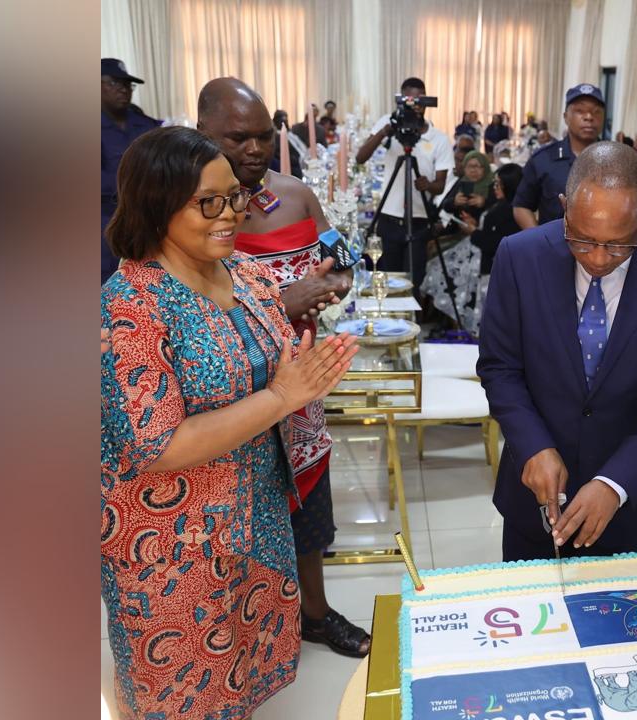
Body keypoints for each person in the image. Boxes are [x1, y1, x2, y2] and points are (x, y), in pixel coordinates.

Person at [102, 125, 358, 719]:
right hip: (172, 549)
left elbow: (277, 354)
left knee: (237, 682)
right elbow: (155, 444)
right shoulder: (128, 306)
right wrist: (283, 396)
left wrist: (310, 365)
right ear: (156, 203)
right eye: (207, 203)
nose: (230, 216)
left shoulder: (244, 274)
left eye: (235, 197)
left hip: (252, 522)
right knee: (186, 695)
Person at [197, 78, 371, 658]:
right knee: (233, 516)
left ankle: (314, 615)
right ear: (202, 135)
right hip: (221, 398)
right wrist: (280, 301)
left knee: (308, 504)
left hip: (300, 391)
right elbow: (181, 305)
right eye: (236, 137)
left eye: (264, 136)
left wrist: (333, 283)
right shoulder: (183, 210)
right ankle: (233, 633)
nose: (253, 149)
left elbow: (346, 264)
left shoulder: (295, 195)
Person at [478, 142, 637, 560]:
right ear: (565, 206)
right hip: (532, 501)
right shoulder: (519, 257)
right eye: (581, 239)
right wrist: (532, 445)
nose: (599, 258)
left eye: (619, 244)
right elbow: (499, 367)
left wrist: (615, 482)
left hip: (625, 508)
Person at [354, 78, 455, 285]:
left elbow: (440, 186)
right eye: (409, 100)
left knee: (412, 282)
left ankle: (413, 317)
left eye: (419, 101)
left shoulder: (439, 139)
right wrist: (385, 131)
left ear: (426, 102)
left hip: (418, 221)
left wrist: (428, 185)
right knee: (388, 281)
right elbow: (360, 158)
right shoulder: (388, 122)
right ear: (400, 101)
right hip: (389, 219)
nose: (414, 106)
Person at [512, 84, 606, 229]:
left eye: (596, 111)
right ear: (566, 117)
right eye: (580, 111)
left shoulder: (617, 161)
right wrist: (540, 241)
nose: (589, 117)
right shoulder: (543, 159)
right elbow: (521, 206)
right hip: (555, 247)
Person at [101, 58, 162, 283]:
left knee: (147, 279)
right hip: (104, 218)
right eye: (115, 84)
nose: (124, 90)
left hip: (147, 217)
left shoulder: (143, 123)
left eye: (128, 85)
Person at [444, 151, 495, 222]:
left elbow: (501, 208)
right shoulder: (463, 181)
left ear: (485, 168)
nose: (473, 170)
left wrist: (485, 203)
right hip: (460, 227)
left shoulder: (493, 184)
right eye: (469, 166)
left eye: (477, 166)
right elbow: (445, 205)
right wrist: (454, 202)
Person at [270, 108, 303, 179]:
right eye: (281, 119)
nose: (284, 121)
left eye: (286, 119)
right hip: (293, 172)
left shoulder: (291, 133)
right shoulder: (277, 138)